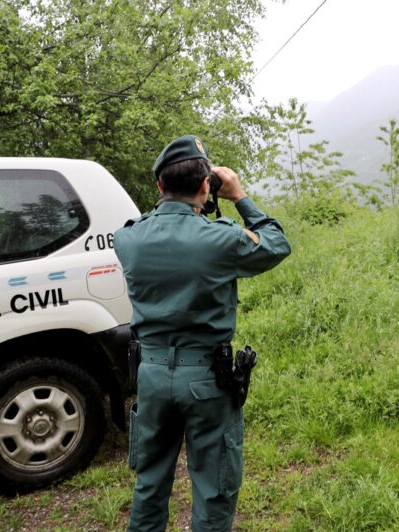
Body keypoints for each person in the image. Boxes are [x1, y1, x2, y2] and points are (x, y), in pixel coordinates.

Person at [114, 135, 291, 531]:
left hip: (151, 375)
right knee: (214, 489)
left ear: (159, 185)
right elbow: (276, 244)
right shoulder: (220, 238)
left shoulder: (127, 239)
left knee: (149, 484)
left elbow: (159, 226)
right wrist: (239, 196)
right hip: (207, 379)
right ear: (206, 185)